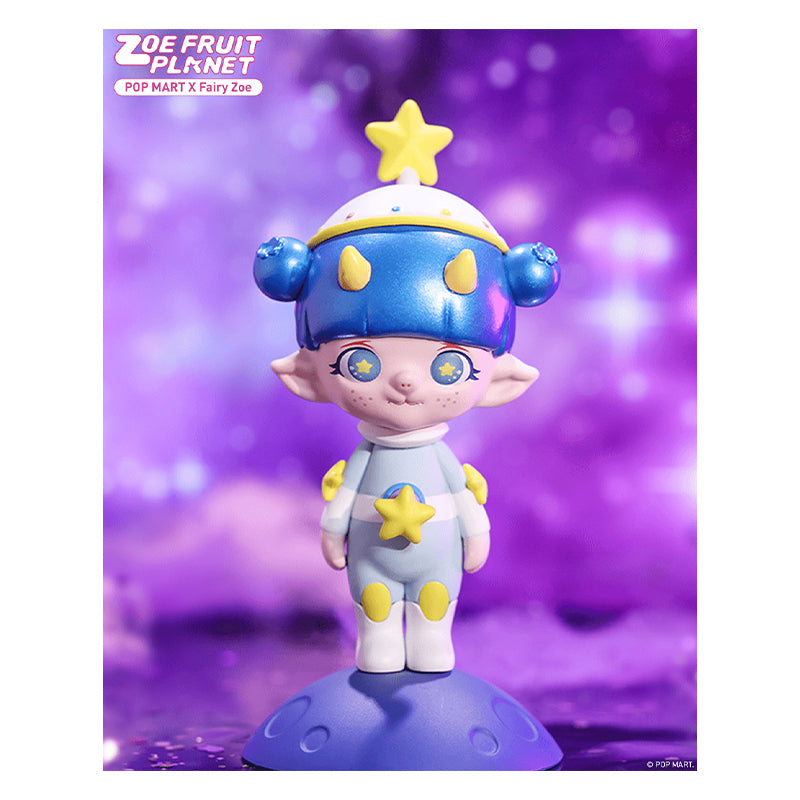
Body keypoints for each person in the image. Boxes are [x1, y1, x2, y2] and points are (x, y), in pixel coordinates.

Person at [254, 100, 560, 672]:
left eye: (448, 367)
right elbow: (344, 502)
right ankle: (377, 650)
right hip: (372, 561)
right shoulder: (368, 458)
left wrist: (475, 530)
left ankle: (431, 649)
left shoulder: (437, 459)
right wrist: (333, 532)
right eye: (360, 364)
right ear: (308, 375)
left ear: (500, 380)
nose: (404, 381)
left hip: (436, 561)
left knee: (433, 610)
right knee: (375, 612)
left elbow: (462, 498)